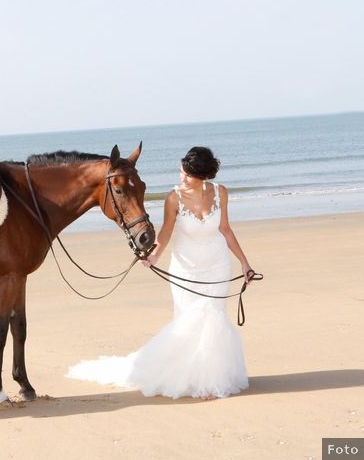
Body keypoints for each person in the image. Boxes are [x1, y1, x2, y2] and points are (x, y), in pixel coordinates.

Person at [68, 146, 254, 400]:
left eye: (187, 174)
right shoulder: (173, 198)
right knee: (189, 322)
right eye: (181, 172)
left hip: (217, 265)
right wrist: (154, 255)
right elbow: (166, 232)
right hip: (185, 267)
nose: (182, 177)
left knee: (213, 319)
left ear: (201, 175)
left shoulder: (220, 193)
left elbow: (226, 230)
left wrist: (244, 263)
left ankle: (211, 381)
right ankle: (190, 376)